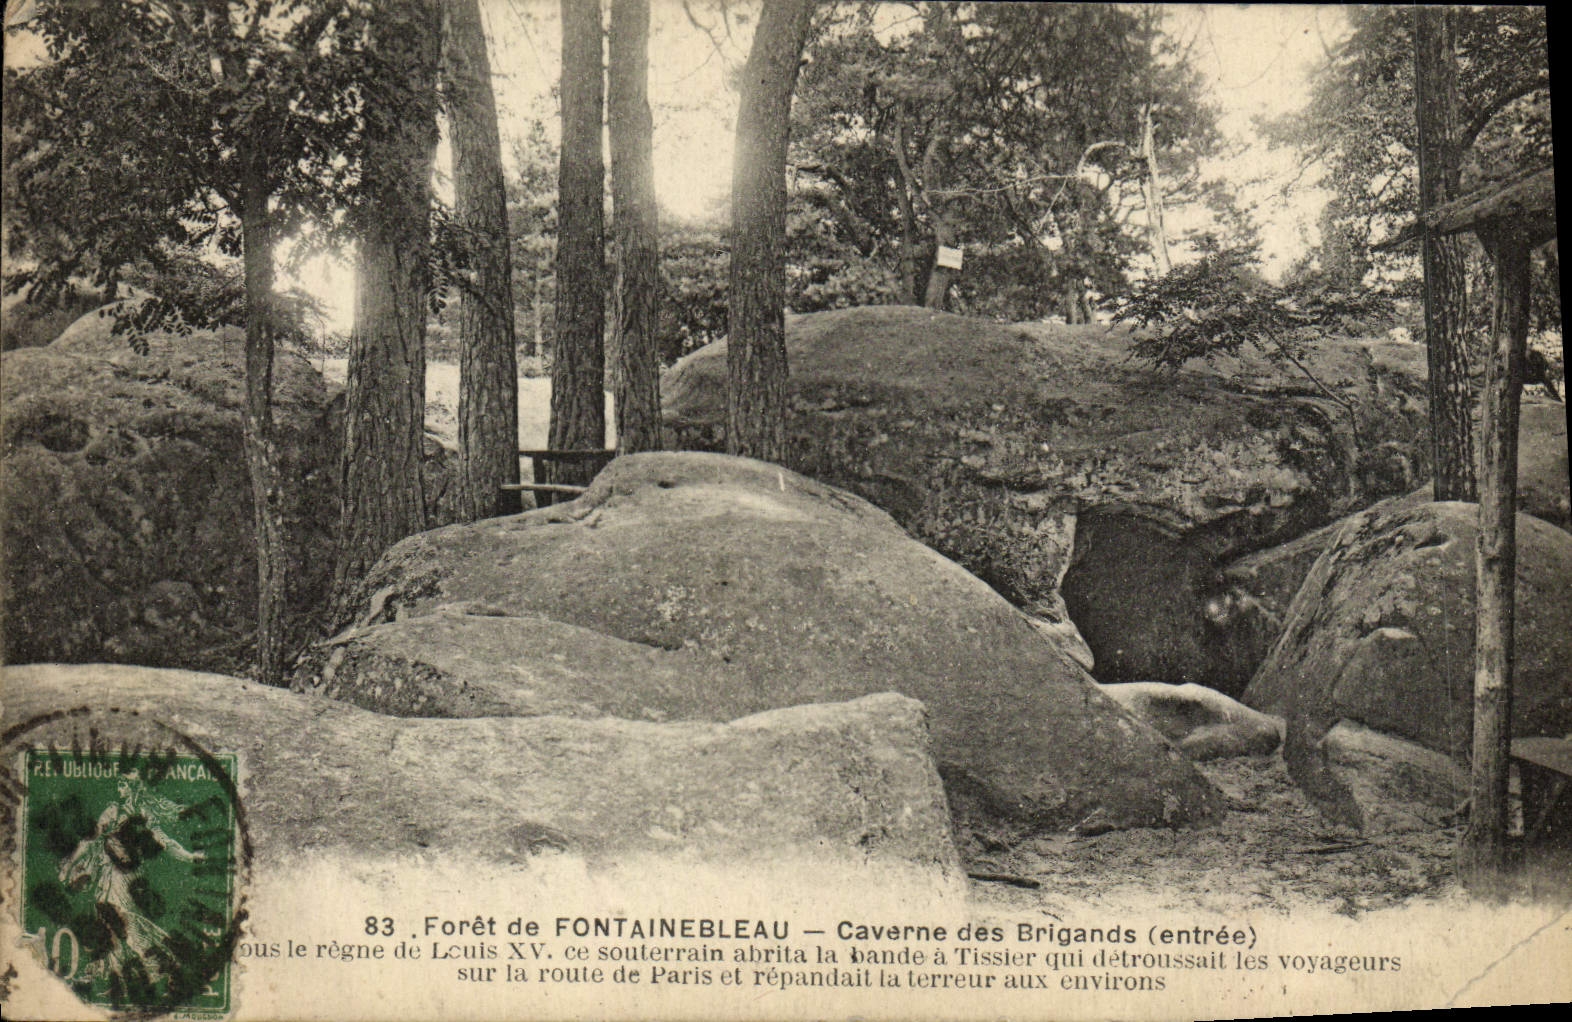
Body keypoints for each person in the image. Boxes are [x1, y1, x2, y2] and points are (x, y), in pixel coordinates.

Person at [58, 772, 204, 985]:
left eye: (124, 784)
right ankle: (110, 971)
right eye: (119, 784)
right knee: (110, 921)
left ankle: (162, 962)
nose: (120, 789)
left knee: (122, 920)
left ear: (135, 788)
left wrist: (189, 856)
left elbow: (166, 843)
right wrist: (71, 862)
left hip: (127, 879)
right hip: (109, 874)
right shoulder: (114, 811)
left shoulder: (144, 817)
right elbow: (90, 840)